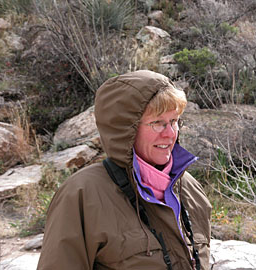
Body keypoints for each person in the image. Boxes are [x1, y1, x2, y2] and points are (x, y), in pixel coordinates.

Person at [37, 70, 212, 270]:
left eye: (174, 121)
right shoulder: (83, 194)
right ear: (125, 129)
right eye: (157, 123)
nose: (170, 134)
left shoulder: (189, 187)